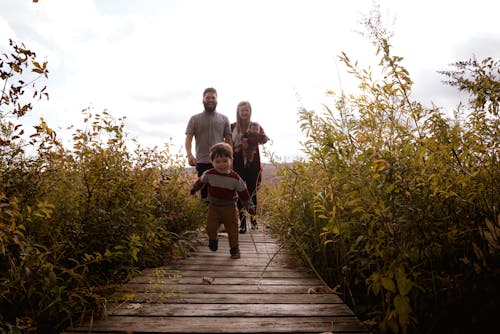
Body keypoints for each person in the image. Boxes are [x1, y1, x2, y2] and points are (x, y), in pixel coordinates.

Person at [190, 142, 255, 259]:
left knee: (232, 229)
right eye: (218, 162)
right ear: (212, 162)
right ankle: (213, 239)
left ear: (231, 160)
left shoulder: (235, 178)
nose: (222, 165)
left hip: (229, 207)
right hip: (213, 207)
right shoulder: (209, 174)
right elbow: (201, 181)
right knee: (210, 227)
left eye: (225, 161)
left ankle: (234, 249)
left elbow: (244, 193)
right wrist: (194, 189)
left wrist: (249, 207)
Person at [185, 87, 232, 199]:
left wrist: (230, 158)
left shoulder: (224, 119)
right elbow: (188, 138)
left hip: (221, 162)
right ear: (203, 100)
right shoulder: (194, 119)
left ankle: (220, 216)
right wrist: (189, 155)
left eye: (213, 97)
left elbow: (228, 140)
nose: (210, 100)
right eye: (208, 98)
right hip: (202, 161)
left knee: (222, 192)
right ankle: (205, 216)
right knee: (205, 194)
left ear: (217, 100)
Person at [231, 101, 269, 233]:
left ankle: (253, 221)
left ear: (250, 111)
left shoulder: (256, 126)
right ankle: (242, 223)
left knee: (252, 192)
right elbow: (229, 143)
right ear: (238, 112)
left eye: (247, 110)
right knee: (241, 191)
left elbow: (264, 140)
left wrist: (258, 136)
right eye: (242, 110)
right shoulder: (233, 127)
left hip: (253, 162)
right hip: (238, 162)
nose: (244, 113)